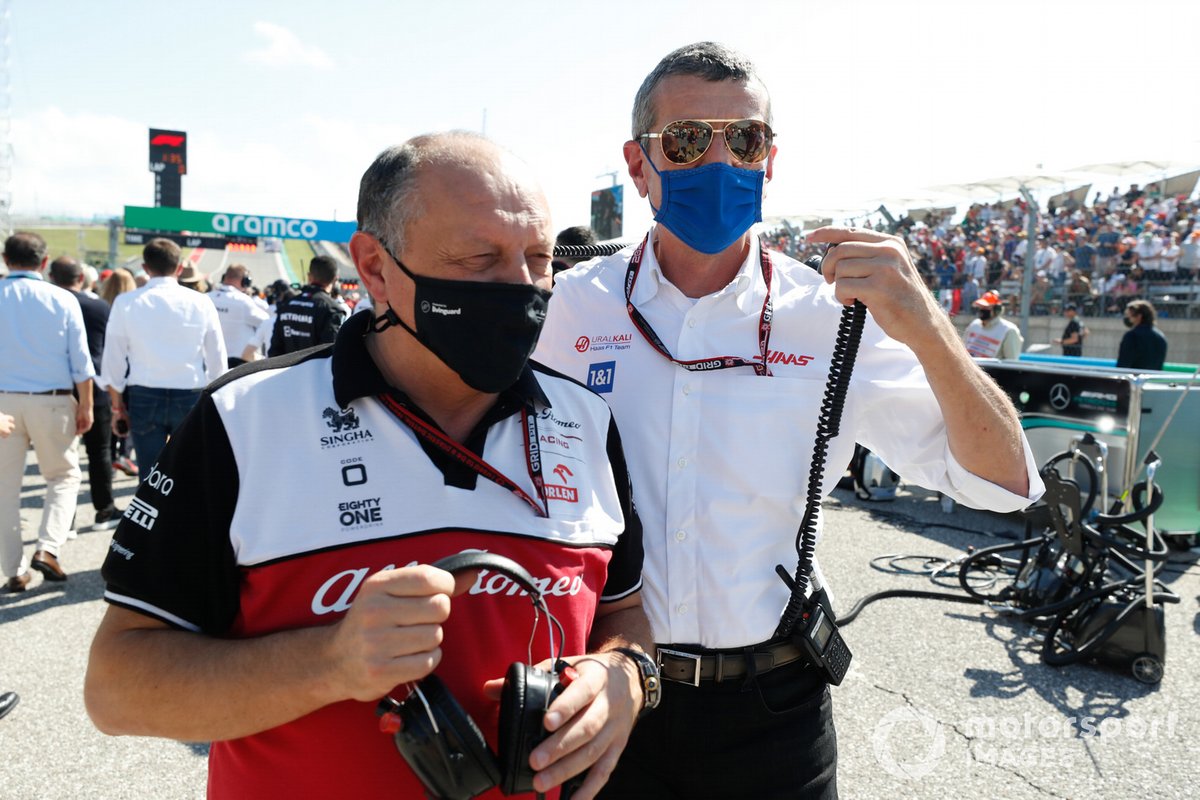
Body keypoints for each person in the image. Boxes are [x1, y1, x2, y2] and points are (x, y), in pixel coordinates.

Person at [534, 42, 1042, 798]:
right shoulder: (571, 307)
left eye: (743, 140)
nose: (718, 162)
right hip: (609, 691)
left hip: (773, 712)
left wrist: (928, 325)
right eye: (684, 141)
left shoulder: (834, 317)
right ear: (640, 166)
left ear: (769, 161)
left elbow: (1002, 485)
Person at [85, 132, 656, 800]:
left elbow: (626, 614)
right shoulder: (244, 420)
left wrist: (626, 679)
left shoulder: (587, 421)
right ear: (375, 269)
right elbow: (117, 688)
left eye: (537, 259)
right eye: (481, 259)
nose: (521, 289)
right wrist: (329, 662)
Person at [0, 233, 95, 589]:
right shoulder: (63, 298)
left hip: (3, 401)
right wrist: (86, 405)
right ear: (44, 263)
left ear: (6, 258)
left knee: (4, 490)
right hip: (52, 399)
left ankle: (14, 569)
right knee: (63, 477)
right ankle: (48, 547)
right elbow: (81, 361)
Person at [100, 238, 227, 475]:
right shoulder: (201, 301)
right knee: (189, 471)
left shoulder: (126, 302)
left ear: (146, 268)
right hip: (190, 392)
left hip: (144, 393)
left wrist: (117, 408)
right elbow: (217, 359)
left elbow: (113, 361)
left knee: (150, 474)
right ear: (179, 267)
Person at [47, 256, 122, 529]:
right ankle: (104, 509)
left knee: (61, 460)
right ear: (81, 278)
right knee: (100, 452)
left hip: (58, 388)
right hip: (95, 386)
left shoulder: (49, 306)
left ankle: (65, 521)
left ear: (52, 277)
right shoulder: (100, 307)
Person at [268, 255, 346, 355]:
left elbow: (274, 351)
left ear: (309, 276)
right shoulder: (333, 310)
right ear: (335, 280)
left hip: (286, 370)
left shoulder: (286, 305)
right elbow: (330, 353)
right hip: (314, 370)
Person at [208, 263, 270, 369]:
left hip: (210, 362)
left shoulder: (207, 298)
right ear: (245, 281)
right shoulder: (243, 302)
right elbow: (268, 322)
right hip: (237, 365)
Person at [963, 289, 1024, 359]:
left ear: (996, 310)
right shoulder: (974, 325)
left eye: (986, 307)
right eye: (980, 306)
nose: (982, 309)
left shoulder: (1009, 331)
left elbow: (1011, 363)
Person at [1116, 299, 1168, 371]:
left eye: (1129, 316)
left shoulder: (1132, 336)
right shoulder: (1161, 336)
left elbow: (1123, 364)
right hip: (1153, 380)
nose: (1127, 319)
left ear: (1139, 316)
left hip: (1134, 380)